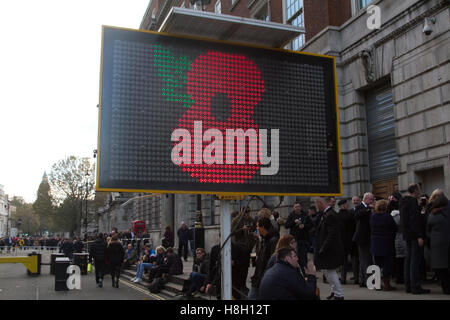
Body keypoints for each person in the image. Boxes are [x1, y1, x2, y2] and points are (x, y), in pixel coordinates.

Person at [400, 183, 430, 294]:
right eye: (419, 189)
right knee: (414, 261)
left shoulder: (403, 202)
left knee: (408, 261)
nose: (420, 191)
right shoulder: (412, 202)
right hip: (414, 236)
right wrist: (419, 236)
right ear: (415, 191)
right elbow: (414, 221)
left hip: (407, 235)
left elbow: (406, 220)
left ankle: (408, 286)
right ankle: (415, 286)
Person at [314, 197, 344, 300]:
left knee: (330, 272)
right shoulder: (327, 214)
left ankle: (339, 294)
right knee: (327, 271)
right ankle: (335, 291)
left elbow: (332, 234)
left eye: (317, 203)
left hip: (329, 250)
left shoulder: (330, 215)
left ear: (321, 203)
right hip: (327, 249)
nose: (317, 205)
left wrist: (323, 248)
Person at [249, 216, 279, 300]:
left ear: (262, 227)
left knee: (252, 297)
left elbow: (272, 260)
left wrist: (264, 276)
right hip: (259, 276)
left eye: (257, 226)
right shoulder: (263, 239)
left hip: (264, 277)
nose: (256, 228)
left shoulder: (272, 240)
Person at [370, 199, 397, 291]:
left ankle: (377, 284)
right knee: (386, 265)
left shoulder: (373, 216)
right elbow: (394, 228)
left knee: (377, 264)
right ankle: (386, 285)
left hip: (375, 243)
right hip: (386, 243)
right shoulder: (387, 217)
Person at [427, 190, 450, 294]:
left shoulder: (432, 215)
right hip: (446, 243)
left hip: (435, 244)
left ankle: (445, 288)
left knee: (441, 268)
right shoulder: (445, 215)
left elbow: (427, 230)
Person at [231, 206, 256, 296]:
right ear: (242, 212)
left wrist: (254, 236)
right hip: (239, 247)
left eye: (248, 212)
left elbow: (255, 230)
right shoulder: (236, 220)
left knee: (246, 267)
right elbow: (232, 232)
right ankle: (239, 285)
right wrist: (242, 229)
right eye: (245, 212)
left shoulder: (252, 220)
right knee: (239, 267)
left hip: (248, 246)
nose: (247, 214)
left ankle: (243, 285)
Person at [353, 192, 375, 287]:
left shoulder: (369, 208)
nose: (372, 201)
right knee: (365, 260)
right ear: (366, 199)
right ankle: (368, 281)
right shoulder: (360, 207)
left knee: (364, 260)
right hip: (362, 238)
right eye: (371, 199)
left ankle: (362, 280)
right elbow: (357, 215)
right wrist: (368, 208)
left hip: (368, 237)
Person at [285, 202, 312, 273]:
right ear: (293, 208)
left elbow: (310, 225)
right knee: (295, 256)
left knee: (303, 256)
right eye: (296, 207)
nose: (297, 208)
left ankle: (305, 271)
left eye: (298, 207)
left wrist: (304, 226)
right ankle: (295, 270)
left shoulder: (305, 215)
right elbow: (286, 225)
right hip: (294, 239)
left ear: (300, 207)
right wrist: (294, 222)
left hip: (303, 238)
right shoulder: (291, 215)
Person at [336, 199, 356, 285]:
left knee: (343, 262)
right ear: (343, 205)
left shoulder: (337, 216)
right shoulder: (350, 214)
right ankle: (357, 278)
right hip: (351, 240)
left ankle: (343, 279)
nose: (347, 205)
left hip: (342, 241)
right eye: (346, 204)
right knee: (354, 260)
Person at [389, 192, 406, 284]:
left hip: (398, 237)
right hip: (398, 237)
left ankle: (399, 277)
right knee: (400, 259)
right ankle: (399, 277)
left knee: (399, 259)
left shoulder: (396, 211)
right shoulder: (395, 213)